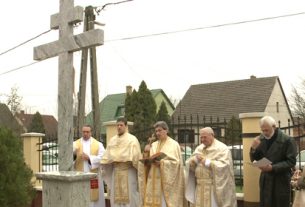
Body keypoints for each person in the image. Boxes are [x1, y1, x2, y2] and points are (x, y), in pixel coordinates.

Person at [250, 115, 297, 207]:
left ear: (274, 127)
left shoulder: (287, 140)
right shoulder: (261, 139)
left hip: (280, 180)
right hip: (265, 180)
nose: (264, 133)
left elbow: (291, 161)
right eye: (262, 130)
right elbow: (255, 159)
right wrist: (253, 149)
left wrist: (273, 167)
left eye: (266, 130)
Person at [185, 127, 237, 207]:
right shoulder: (199, 148)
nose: (202, 140)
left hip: (213, 189)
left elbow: (225, 166)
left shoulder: (222, 148)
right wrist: (194, 160)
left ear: (212, 135)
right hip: (199, 187)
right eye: (201, 137)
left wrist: (208, 162)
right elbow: (190, 165)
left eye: (204, 137)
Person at [138, 121, 186, 207]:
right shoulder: (153, 144)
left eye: (159, 130)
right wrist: (145, 152)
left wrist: (162, 163)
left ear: (166, 130)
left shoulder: (174, 144)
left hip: (164, 182)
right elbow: (146, 162)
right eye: (156, 131)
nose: (157, 133)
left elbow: (176, 164)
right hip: (152, 179)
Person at [101, 117, 142, 207]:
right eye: (118, 125)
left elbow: (136, 158)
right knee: (115, 199)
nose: (119, 127)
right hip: (115, 172)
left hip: (128, 172)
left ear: (126, 126)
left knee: (130, 197)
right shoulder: (112, 140)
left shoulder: (132, 139)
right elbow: (106, 156)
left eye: (121, 125)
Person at [73, 125, 106, 207]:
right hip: (79, 177)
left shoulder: (98, 144)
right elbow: (69, 160)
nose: (85, 134)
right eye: (84, 132)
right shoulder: (75, 144)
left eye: (87, 132)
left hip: (93, 177)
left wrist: (89, 158)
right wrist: (74, 155)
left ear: (91, 132)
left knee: (93, 200)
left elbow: (103, 158)